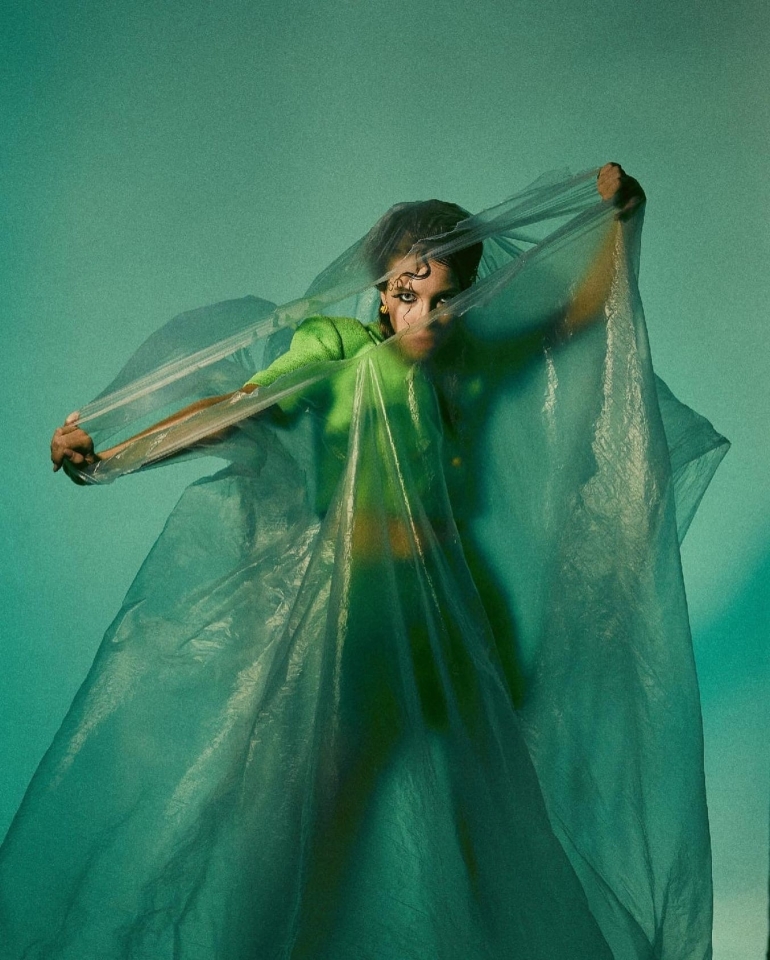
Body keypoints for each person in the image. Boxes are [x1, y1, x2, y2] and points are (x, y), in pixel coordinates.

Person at [2, 165, 726, 959]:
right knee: (324, 806)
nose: (426, 314)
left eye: (445, 297)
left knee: (487, 806)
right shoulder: (338, 352)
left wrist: (623, 220)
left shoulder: (463, 361)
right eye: (408, 295)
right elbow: (236, 410)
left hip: (457, 610)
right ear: (381, 294)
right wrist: (114, 452)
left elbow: (571, 322)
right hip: (363, 610)